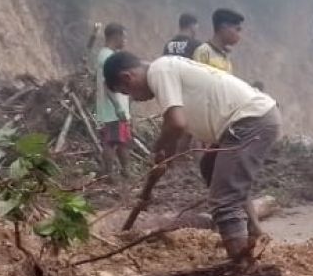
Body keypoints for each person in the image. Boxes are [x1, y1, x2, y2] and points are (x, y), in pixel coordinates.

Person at [103, 51, 281, 262]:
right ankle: (254, 234)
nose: (134, 98)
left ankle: (242, 264)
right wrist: (168, 155)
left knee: (224, 198)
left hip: (249, 120)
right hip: (248, 118)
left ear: (127, 77)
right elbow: (183, 125)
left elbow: (177, 123)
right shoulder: (167, 68)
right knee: (210, 166)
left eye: (127, 92)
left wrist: (157, 147)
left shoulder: (159, 71)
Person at [91, 22, 132, 182]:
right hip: (112, 109)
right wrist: (117, 107)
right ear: (116, 36)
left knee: (121, 141)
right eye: (124, 37)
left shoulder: (106, 55)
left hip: (112, 109)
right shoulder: (107, 57)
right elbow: (106, 84)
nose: (125, 41)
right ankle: (109, 173)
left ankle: (125, 172)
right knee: (111, 142)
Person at [193, 8, 243, 73]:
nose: (239, 35)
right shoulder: (204, 52)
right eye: (237, 30)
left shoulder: (226, 58)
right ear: (223, 27)